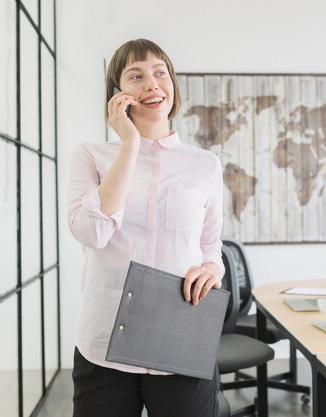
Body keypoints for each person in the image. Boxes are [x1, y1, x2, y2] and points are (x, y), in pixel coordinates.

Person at [68, 38, 225, 417]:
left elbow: (210, 245)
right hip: (105, 342)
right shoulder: (91, 155)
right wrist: (129, 144)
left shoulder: (205, 164)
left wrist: (211, 269)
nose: (152, 84)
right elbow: (92, 233)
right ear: (117, 95)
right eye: (135, 76)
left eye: (160, 73)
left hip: (181, 336)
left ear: (172, 83)